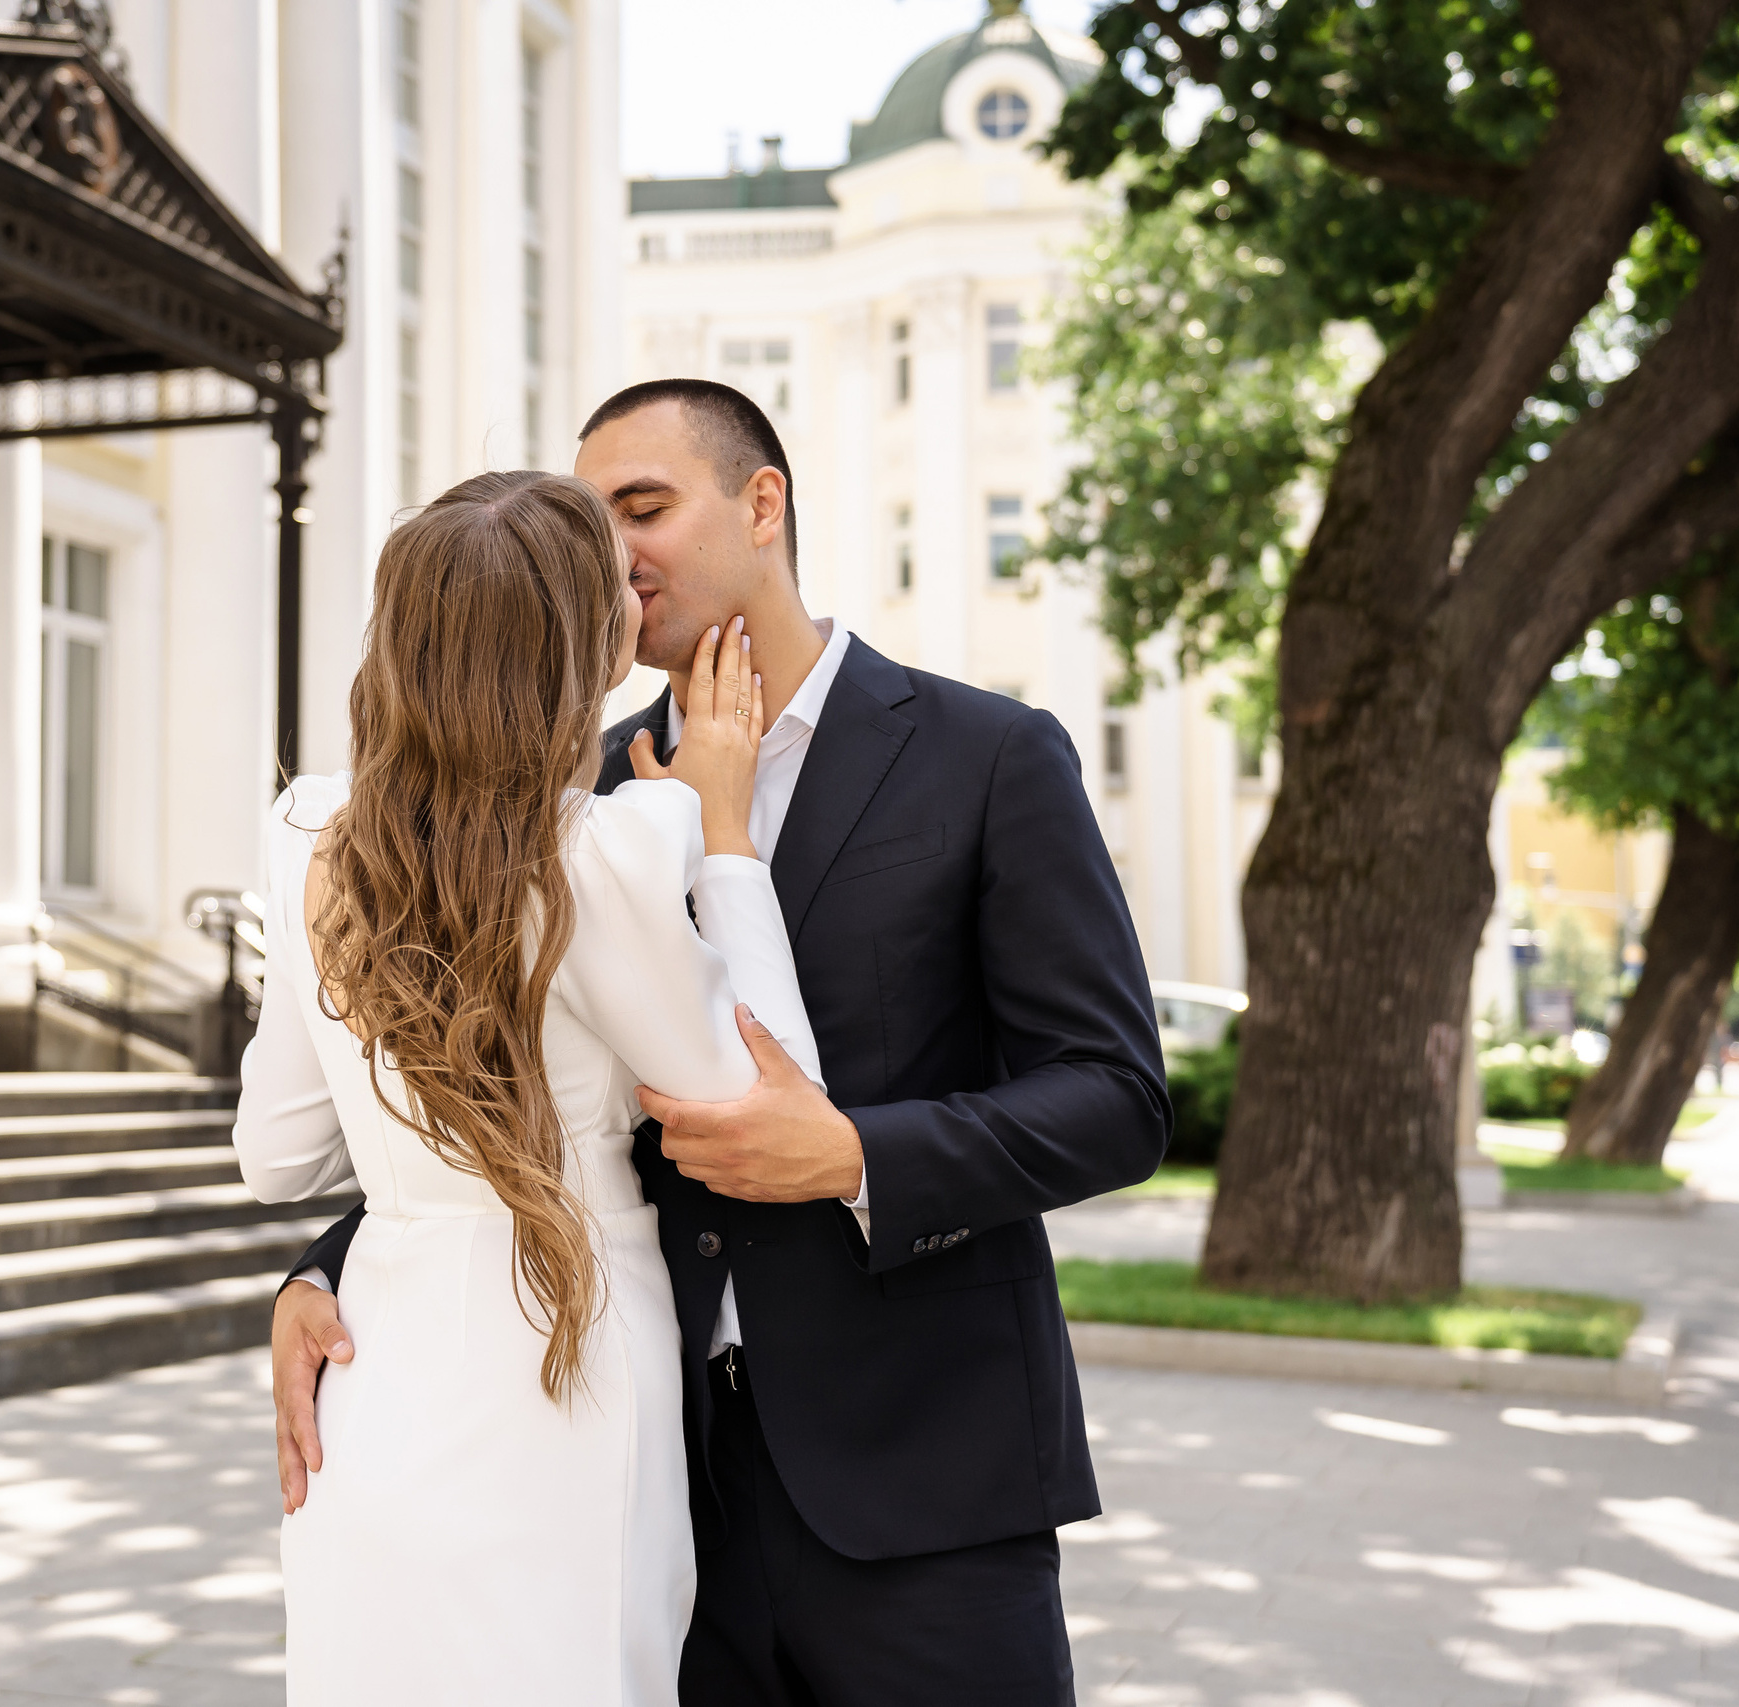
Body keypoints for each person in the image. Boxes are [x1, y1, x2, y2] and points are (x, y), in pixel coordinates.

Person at [271, 380, 1173, 1706]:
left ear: (764, 505)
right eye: (592, 522)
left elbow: (1115, 1096)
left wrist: (855, 1151)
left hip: (922, 1474)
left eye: (646, 507)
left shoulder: (989, 755)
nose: (615, 555)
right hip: (647, 1470)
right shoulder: (564, 783)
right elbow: (487, 1074)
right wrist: (328, 1261)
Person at [231, 467, 824, 1705]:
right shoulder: (613, 849)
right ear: (586, 646)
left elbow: (277, 1158)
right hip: (573, 1348)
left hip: (376, 1361)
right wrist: (721, 835)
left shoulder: (306, 837)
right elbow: (773, 1095)